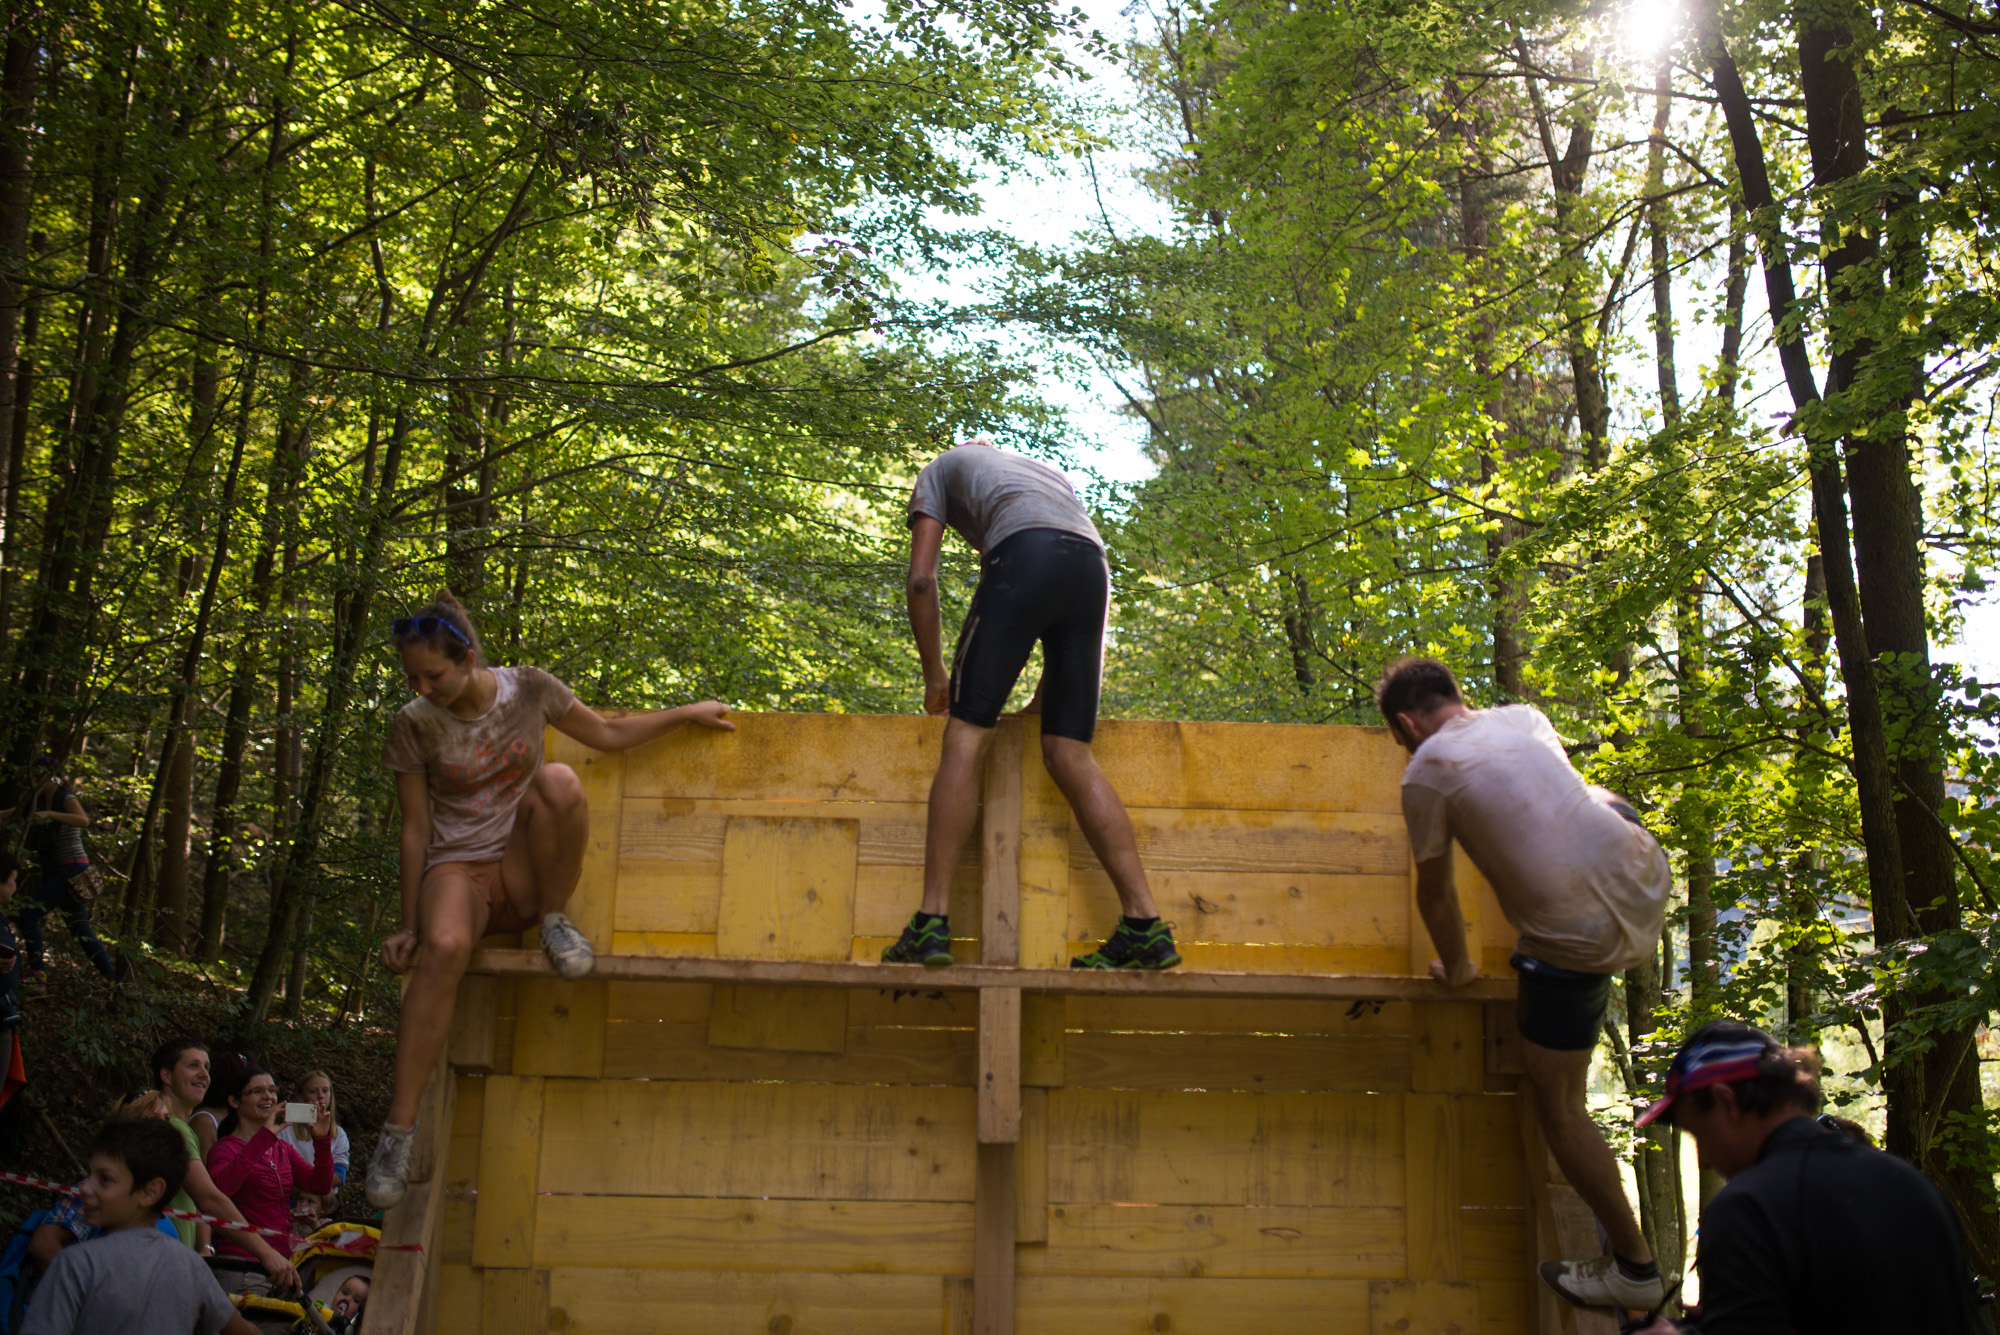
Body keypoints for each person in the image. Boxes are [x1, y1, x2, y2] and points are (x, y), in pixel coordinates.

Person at [366, 590, 735, 1208]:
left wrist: (685, 712)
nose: (424, 689)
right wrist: (409, 926)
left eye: (433, 676)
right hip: (456, 872)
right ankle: (397, 1135)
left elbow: (607, 734)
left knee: (561, 779)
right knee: (445, 946)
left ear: (467, 659)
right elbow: (415, 829)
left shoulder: (528, 689)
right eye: (413, 679)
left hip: (520, 867)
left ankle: (553, 921)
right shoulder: (414, 722)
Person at [1376, 657, 1671, 1311]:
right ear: (1457, 696)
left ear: (1407, 725)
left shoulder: (1425, 771)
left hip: (1575, 945)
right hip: (1647, 874)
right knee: (1585, 794)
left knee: (1557, 1103)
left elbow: (1436, 894)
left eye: (1398, 741)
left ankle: (1635, 1268)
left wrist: (1459, 969)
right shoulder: (1524, 718)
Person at [885, 435, 1176, 971]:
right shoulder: (1041, 475)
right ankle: (1145, 925)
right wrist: (1045, 698)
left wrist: (935, 677)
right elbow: (1057, 595)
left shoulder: (942, 468)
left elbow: (922, 580)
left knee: (965, 736)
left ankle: (930, 922)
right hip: (1091, 568)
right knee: (1070, 752)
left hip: (1025, 554)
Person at [1624, 1020, 1986, 1334]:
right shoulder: (1912, 1187)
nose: (1703, 1161)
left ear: (1726, 1102)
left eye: (1697, 1133)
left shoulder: (1749, 1208)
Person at [18, 1117, 259, 1335]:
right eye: (90, 1175)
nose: (85, 1188)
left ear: (151, 1192)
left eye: (105, 1179)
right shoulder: (191, 1266)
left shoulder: (76, 1264)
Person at [150, 1038, 297, 1284]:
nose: (204, 1074)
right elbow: (210, 1197)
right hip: (165, 1260)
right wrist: (266, 1253)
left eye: (207, 1067)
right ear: (166, 1075)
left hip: (174, 1256)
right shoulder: (174, 1129)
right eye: (193, 1066)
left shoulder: (177, 1126)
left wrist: (204, 1245)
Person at [205, 1067, 334, 1308]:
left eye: (272, 1090)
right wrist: (263, 1137)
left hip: (281, 1268)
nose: (268, 1097)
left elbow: (320, 1185)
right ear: (234, 1101)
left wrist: (321, 1139)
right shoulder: (224, 1149)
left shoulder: (282, 1149)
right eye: (257, 1091)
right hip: (241, 1267)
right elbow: (221, 1190)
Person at [1, 762, 113, 982]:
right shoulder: (38, 800)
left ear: (50, 776)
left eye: (39, 777)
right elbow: (18, 812)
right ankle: (111, 978)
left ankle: (37, 972)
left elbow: (83, 820)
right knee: (80, 929)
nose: (35, 781)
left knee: (26, 916)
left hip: (73, 868)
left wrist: (51, 814)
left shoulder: (65, 797)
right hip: (59, 871)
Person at [277, 1072, 347, 1223]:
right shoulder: (285, 1131)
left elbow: (340, 1174)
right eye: (313, 1091)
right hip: (292, 1201)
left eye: (325, 1091)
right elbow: (280, 1171)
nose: (320, 1096)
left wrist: (317, 1191)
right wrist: (305, 1190)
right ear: (300, 1098)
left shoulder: (338, 1134)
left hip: (324, 1206)